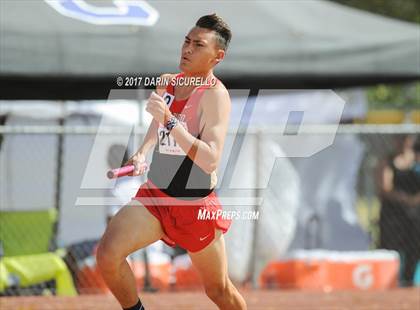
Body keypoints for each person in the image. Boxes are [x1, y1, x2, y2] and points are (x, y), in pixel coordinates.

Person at [96, 14, 247, 310]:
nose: (187, 49)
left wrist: (170, 121)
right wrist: (142, 152)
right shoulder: (169, 83)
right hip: (156, 197)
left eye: (198, 45)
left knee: (219, 291)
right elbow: (157, 126)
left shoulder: (215, 96)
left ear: (218, 56)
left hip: (194, 206)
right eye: (186, 41)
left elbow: (210, 159)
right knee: (108, 255)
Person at [377, 135, 420, 286]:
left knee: (414, 249)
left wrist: (415, 199)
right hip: (394, 214)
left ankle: (408, 281)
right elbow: (385, 188)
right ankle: (389, 281)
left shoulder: (416, 160)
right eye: (400, 139)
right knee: (391, 248)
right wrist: (404, 198)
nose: (403, 142)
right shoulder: (389, 161)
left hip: (415, 214)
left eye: (407, 139)